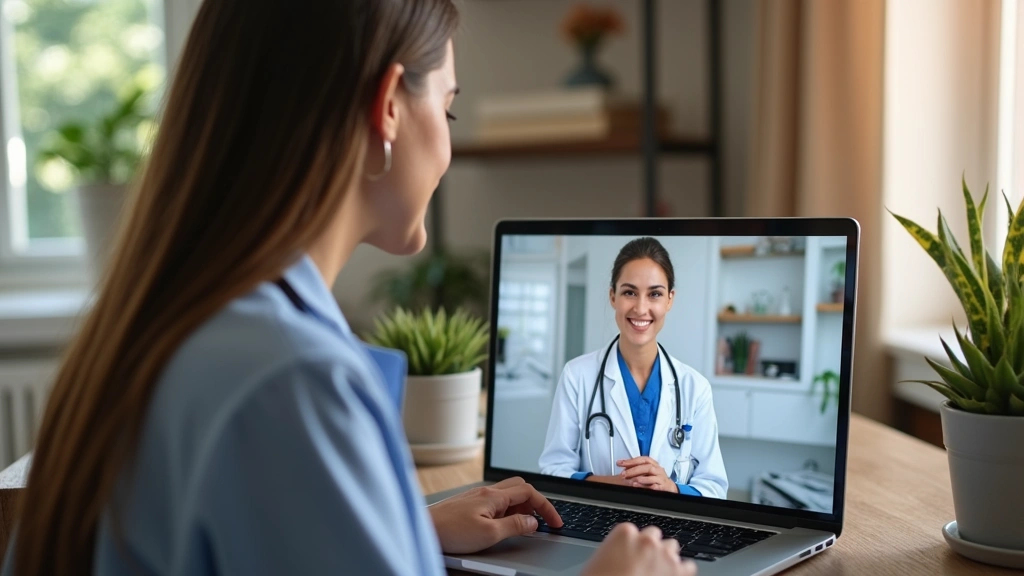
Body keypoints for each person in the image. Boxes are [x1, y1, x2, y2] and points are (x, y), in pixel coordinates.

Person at [1, 2, 695, 576]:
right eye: (447, 111)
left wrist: (403, 531)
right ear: (389, 106)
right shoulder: (292, 378)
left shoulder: (172, 323)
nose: (446, 149)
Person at [539, 237, 728, 498]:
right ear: (612, 296)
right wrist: (612, 484)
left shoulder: (695, 388)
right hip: (599, 523)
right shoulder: (577, 376)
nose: (641, 308)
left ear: (670, 300)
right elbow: (552, 471)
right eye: (629, 292)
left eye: (655, 294)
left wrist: (671, 488)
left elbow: (715, 488)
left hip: (671, 531)